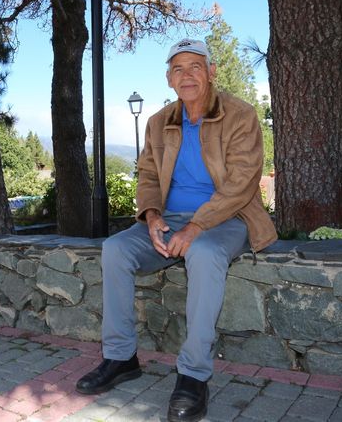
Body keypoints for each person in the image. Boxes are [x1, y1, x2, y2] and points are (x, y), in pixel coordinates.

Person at [75, 38, 277, 422]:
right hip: (170, 219)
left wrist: (197, 226)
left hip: (227, 218)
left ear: (211, 72)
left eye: (195, 66)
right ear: (169, 78)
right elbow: (148, 175)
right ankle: (120, 358)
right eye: (178, 69)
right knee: (116, 249)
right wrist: (152, 216)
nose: (187, 75)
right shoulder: (159, 122)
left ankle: (194, 374)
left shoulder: (240, 114)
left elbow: (242, 182)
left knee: (204, 252)